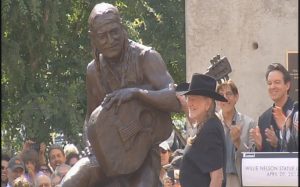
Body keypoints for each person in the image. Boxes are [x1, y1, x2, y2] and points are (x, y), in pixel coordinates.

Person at [60, 2, 180, 187]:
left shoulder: (146, 57)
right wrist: (94, 147)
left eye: (114, 32)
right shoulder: (93, 71)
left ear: (122, 27)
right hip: (108, 154)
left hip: (144, 153)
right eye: (103, 36)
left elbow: (174, 98)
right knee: (69, 183)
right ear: (93, 39)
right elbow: (91, 119)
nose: (110, 40)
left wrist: (137, 93)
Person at [178, 73, 227, 187]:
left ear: (208, 103)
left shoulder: (210, 129)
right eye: (189, 99)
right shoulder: (205, 125)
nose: (190, 103)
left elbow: (217, 177)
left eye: (194, 99)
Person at [216, 80, 256, 187]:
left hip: (239, 179)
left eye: (229, 94)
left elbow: (252, 156)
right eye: (220, 95)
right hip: (217, 179)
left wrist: (238, 142)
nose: (225, 98)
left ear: (236, 97)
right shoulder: (212, 123)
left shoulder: (248, 123)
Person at [250, 63, 298, 152]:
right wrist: (259, 147)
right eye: (269, 83)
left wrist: (279, 141)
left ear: (287, 85)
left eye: (277, 82)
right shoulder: (264, 118)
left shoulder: (296, 111)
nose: (272, 87)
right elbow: (262, 159)